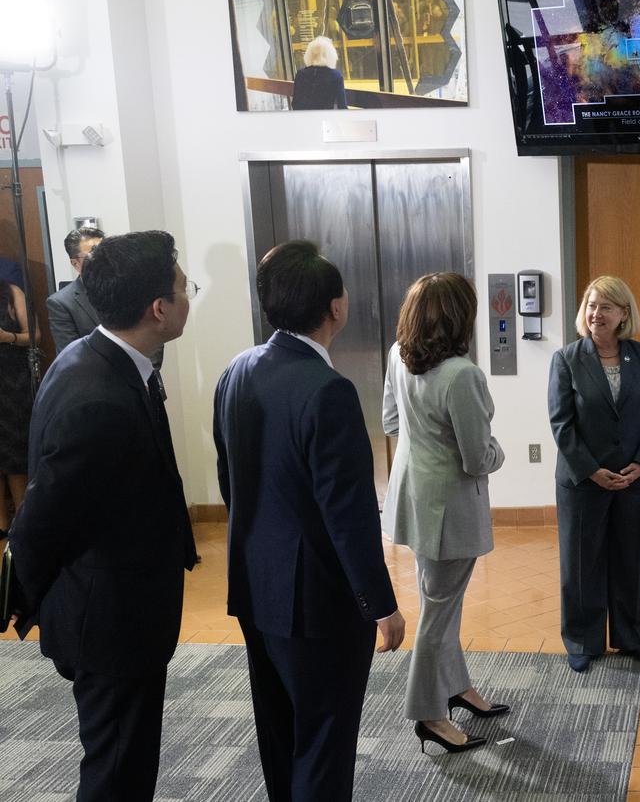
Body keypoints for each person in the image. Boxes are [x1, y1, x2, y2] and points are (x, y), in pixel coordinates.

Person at [7, 230, 197, 800]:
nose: (189, 296)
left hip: (113, 608)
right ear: (158, 308)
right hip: (109, 621)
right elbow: (42, 519)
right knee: (116, 772)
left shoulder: (98, 358)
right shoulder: (99, 395)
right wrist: (26, 601)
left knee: (126, 763)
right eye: (184, 287)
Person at [214, 240, 405, 800]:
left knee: (280, 733)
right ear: (335, 307)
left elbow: (231, 480)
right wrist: (381, 605)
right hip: (317, 604)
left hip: (255, 587)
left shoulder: (236, 370)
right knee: (324, 740)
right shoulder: (328, 390)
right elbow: (349, 515)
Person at [382, 273, 507, 755]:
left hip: (413, 499)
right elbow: (478, 458)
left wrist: (426, 443)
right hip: (448, 509)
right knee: (437, 614)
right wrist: (500, 453)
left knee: (439, 602)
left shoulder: (397, 354)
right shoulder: (461, 374)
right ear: (461, 317)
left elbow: (391, 422)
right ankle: (428, 714)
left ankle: (455, 687)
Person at [548, 275, 640, 673]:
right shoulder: (567, 359)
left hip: (633, 480)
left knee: (632, 560)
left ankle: (633, 638)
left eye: (606, 307)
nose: (596, 313)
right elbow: (561, 424)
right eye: (592, 305)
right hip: (584, 481)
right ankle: (583, 640)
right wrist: (591, 470)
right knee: (581, 563)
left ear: (624, 314)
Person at [0, 277, 35, 539]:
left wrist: (7, 337)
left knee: (15, 452)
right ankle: (1, 522)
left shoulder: (12, 292)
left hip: (12, 383)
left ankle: (22, 522)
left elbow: (35, 336)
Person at [47, 225, 106, 353]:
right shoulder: (61, 303)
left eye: (105, 252)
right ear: (75, 263)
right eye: (94, 255)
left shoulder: (127, 285)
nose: (103, 260)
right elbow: (71, 354)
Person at [292, 36, 348, 110]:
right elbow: (342, 106)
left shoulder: (300, 74)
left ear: (309, 54)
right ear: (330, 55)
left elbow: (295, 103)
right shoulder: (336, 76)